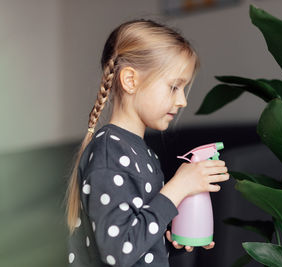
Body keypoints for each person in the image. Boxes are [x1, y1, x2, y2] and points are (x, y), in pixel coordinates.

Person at [63, 18, 230, 267]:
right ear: (131, 80)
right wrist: (178, 187)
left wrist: (169, 241)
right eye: (174, 87)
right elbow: (117, 253)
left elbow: (137, 248)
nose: (183, 100)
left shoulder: (142, 153)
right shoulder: (109, 152)